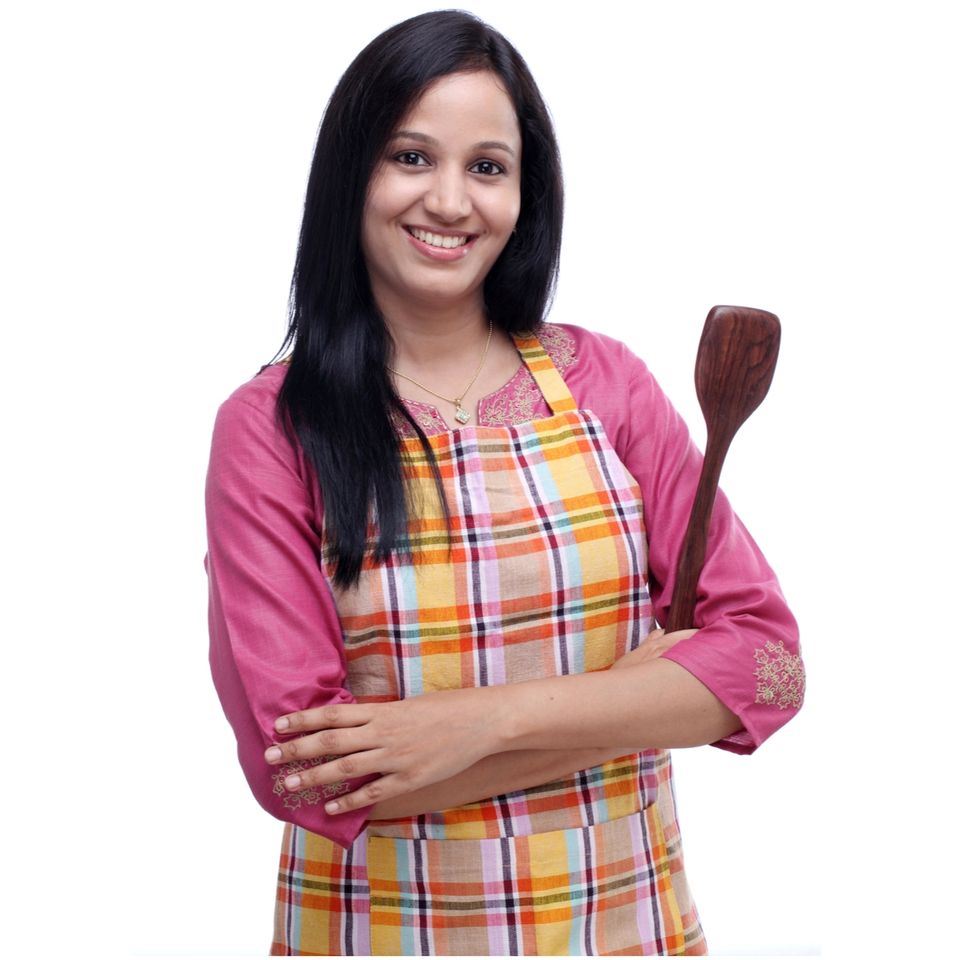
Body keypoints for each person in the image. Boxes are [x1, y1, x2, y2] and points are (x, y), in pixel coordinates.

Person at [205, 10, 804, 956]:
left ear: (527, 193)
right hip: (377, 931)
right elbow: (309, 776)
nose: (450, 201)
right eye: (411, 157)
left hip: (626, 927)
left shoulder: (608, 382)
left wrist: (475, 723)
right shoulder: (271, 428)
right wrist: (640, 702)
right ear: (350, 173)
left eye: (487, 166)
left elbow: (768, 666)